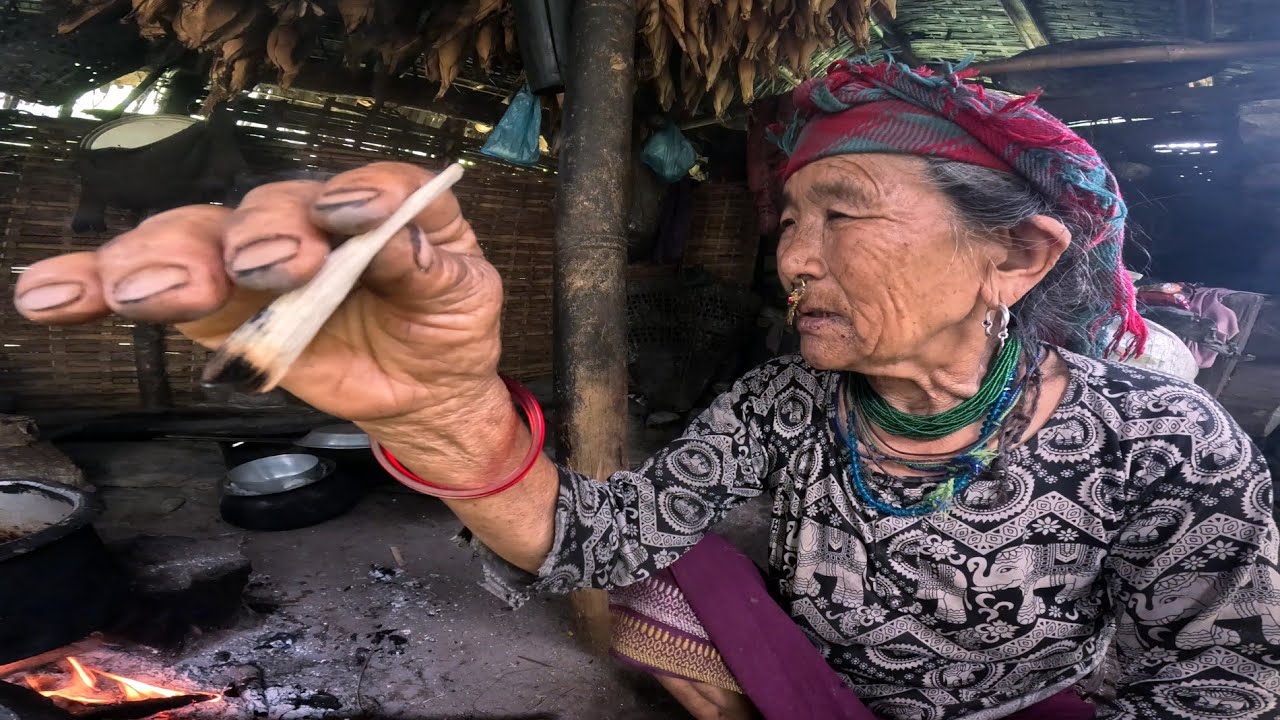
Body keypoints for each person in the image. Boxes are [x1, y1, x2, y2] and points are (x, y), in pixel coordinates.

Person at [14, 59, 1280, 720]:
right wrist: (446, 420)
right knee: (680, 575)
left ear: (1015, 256)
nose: (791, 258)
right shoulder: (783, 405)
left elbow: (1221, 683)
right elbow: (597, 539)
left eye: (842, 214)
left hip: (1026, 717)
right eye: (789, 220)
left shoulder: (1157, 437)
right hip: (817, 693)